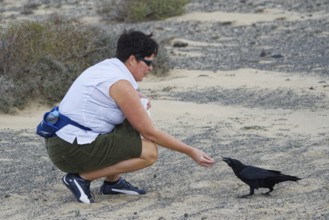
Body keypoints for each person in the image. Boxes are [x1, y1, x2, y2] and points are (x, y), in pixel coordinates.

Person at [45, 30, 215, 203]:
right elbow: (151, 133)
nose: (150, 68)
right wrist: (191, 151)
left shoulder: (109, 67)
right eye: (147, 62)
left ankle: (113, 183)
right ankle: (82, 178)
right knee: (149, 153)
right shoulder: (120, 84)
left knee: (136, 113)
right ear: (132, 59)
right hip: (69, 150)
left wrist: (138, 98)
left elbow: (128, 97)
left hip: (62, 141)